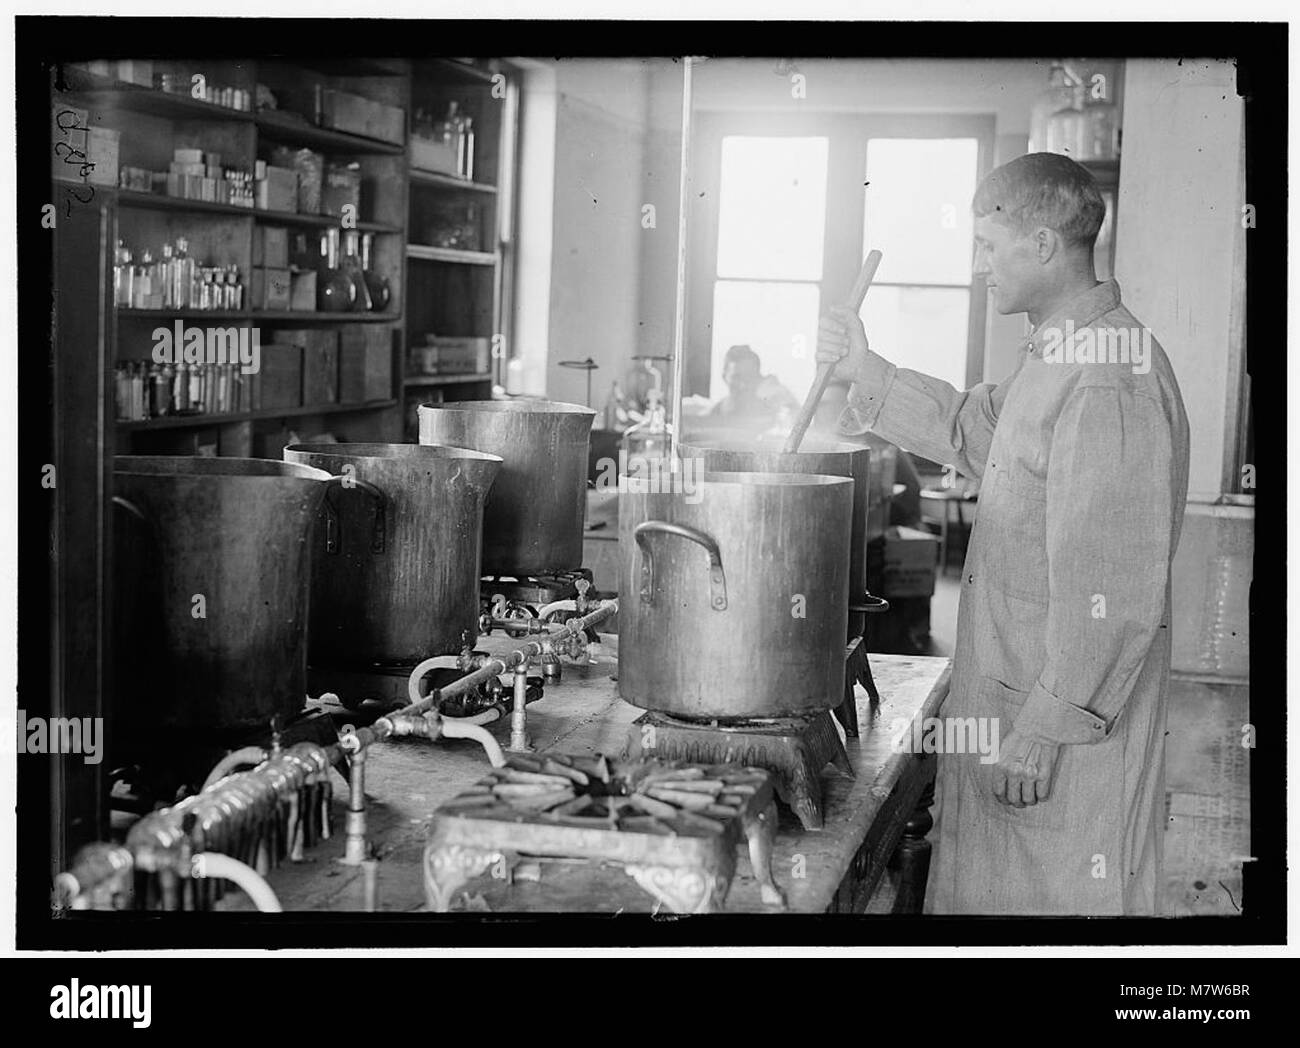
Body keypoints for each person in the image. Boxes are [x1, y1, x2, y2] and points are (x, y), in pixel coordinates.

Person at [817, 152, 1189, 915]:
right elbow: (974, 429)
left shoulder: (1107, 377)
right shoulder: (1059, 353)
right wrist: (867, 370)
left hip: (1059, 742)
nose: (980, 265)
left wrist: (1044, 730)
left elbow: (1111, 588)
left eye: (990, 246)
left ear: (1046, 244)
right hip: (1016, 711)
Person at [709, 344, 800, 434]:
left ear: (758, 377)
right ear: (725, 377)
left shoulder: (777, 402)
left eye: (749, 377)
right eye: (737, 377)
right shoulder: (717, 411)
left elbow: (791, 426)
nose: (743, 384)